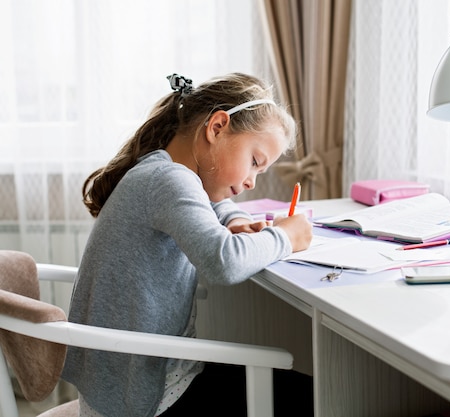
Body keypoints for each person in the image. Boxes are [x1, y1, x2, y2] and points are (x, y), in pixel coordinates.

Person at [61, 73, 314, 416]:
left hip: (123, 385)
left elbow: (210, 201)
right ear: (217, 127)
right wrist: (286, 237)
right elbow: (223, 261)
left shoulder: (163, 169)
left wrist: (235, 220)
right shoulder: (170, 180)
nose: (252, 181)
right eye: (254, 162)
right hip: (148, 398)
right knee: (316, 396)